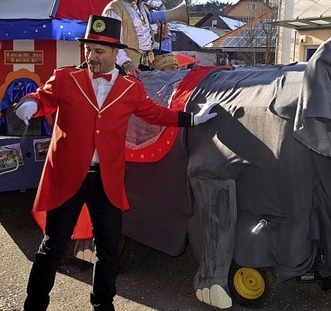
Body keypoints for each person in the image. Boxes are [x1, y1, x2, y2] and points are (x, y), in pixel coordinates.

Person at [15, 15, 217, 311]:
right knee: (53, 247)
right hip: (69, 177)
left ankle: (103, 304)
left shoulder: (130, 88)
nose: (92, 57)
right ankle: (34, 304)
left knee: (108, 248)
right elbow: (42, 96)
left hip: (106, 182)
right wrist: (29, 103)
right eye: (89, 50)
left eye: (99, 51)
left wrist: (192, 118)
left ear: (113, 54)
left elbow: (155, 114)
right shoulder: (65, 78)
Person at [102, 0, 170, 77]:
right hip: (125, 70)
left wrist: (159, 36)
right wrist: (126, 64)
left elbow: (145, 41)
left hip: (146, 65)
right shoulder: (114, 8)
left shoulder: (143, 8)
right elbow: (112, 43)